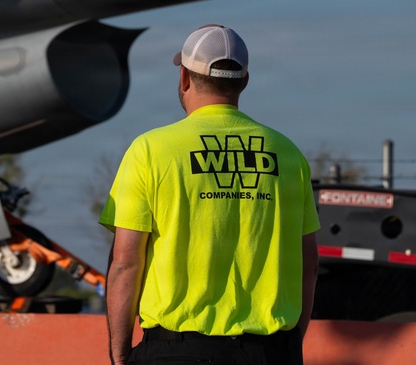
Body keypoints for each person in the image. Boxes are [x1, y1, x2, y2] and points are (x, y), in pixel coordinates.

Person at [100, 24, 321, 365]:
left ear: (184, 78)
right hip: (270, 352)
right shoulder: (289, 155)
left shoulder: (150, 151)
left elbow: (125, 263)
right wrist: (288, 346)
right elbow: (309, 263)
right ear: (244, 82)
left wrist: (119, 355)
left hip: (176, 352)